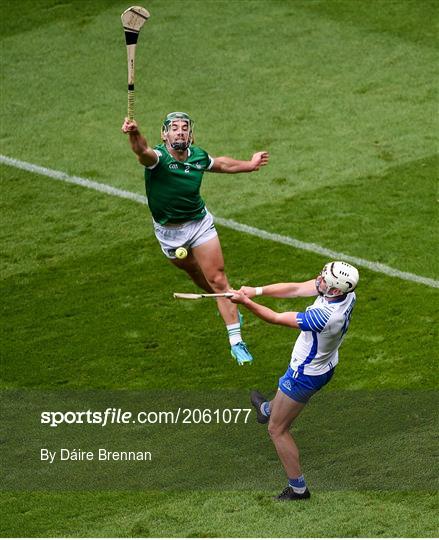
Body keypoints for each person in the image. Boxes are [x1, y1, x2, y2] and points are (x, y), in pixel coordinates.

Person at [121, 112, 269, 365]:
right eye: (174, 128)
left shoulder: (198, 157)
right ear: (164, 134)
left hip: (199, 223)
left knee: (219, 280)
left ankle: (236, 340)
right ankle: (226, 303)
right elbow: (141, 151)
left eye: (184, 128)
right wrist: (134, 133)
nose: (180, 132)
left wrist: (250, 164)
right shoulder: (158, 159)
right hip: (170, 233)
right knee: (196, 274)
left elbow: (221, 164)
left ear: (191, 134)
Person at [229, 261, 359, 500]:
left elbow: (276, 318)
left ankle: (298, 489)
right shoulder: (346, 293)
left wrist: (246, 303)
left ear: (336, 290)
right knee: (277, 410)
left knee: (277, 430)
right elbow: (297, 289)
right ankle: (268, 409)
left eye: (325, 281)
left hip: (304, 375)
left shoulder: (324, 317)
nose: (319, 280)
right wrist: (256, 291)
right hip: (325, 364)